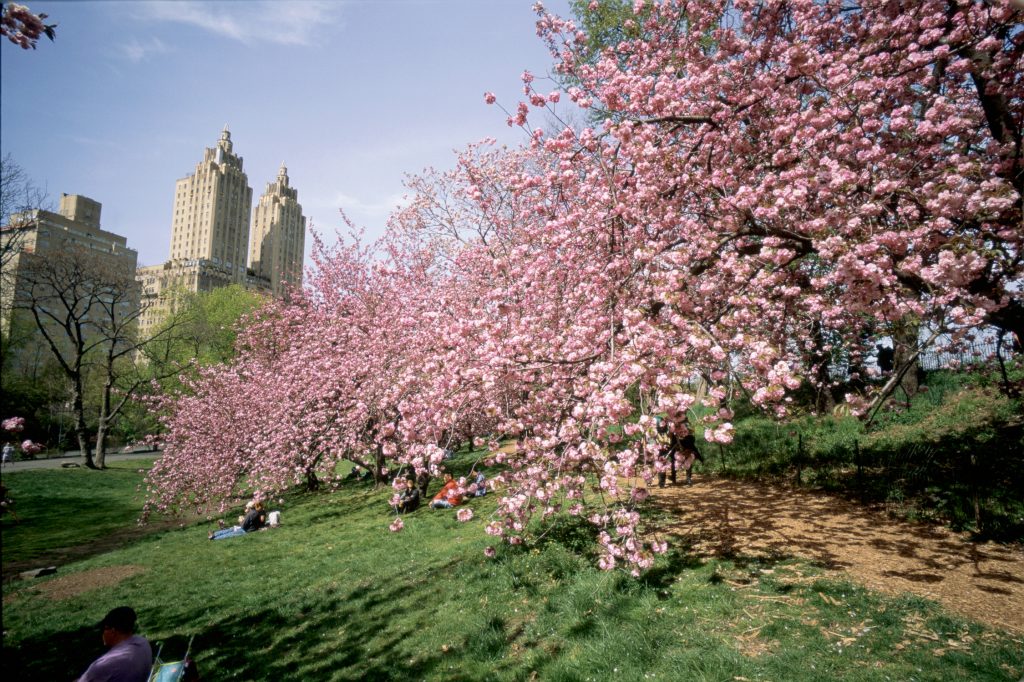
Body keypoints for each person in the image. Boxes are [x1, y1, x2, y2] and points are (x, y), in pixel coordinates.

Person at [74, 606, 153, 682]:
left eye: (103, 629)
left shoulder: (102, 665)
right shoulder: (143, 644)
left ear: (113, 631)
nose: (102, 633)